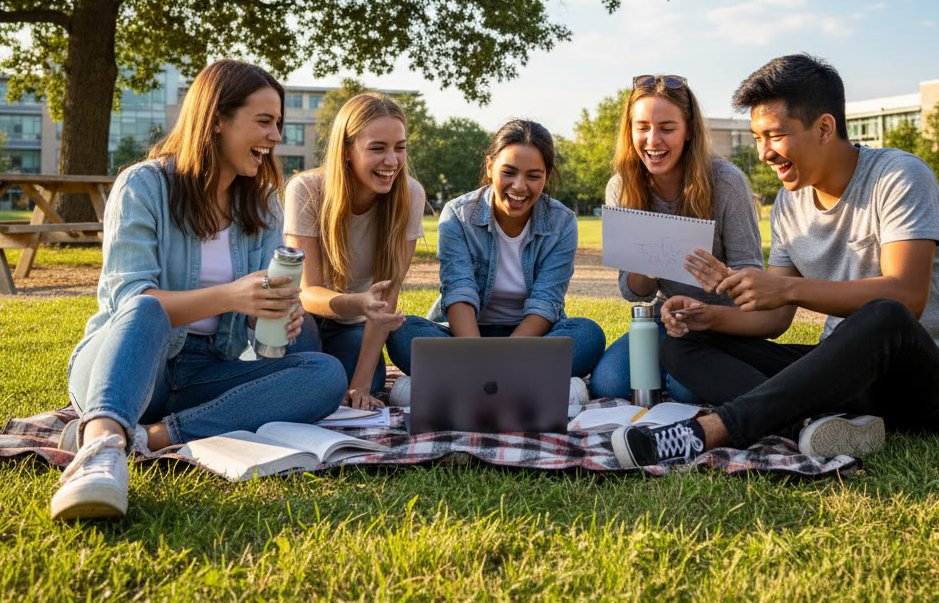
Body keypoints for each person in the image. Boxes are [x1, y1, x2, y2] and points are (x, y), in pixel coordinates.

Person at [612, 54, 939, 467]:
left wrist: (787, 287)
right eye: (757, 138)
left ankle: (710, 430)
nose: (765, 152)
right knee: (681, 345)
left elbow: (908, 296)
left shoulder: (898, 177)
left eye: (775, 136)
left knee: (885, 314)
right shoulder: (790, 201)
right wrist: (707, 317)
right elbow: (775, 319)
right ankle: (811, 423)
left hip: (920, 384)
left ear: (824, 128)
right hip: (840, 375)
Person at [52, 60, 348, 520]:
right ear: (216, 121)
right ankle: (100, 451)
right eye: (264, 122)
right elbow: (127, 304)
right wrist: (232, 295)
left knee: (325, 373)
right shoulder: (144, 185)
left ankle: (150, 439)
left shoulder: (263, 204)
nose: (275, 137)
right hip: (131, 366)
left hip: (207, 371)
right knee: (145, 308)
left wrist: (272, 316)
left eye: (279, 124)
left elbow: (250, 322)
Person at [390, 119, 605, 401]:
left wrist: (500, 360)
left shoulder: (562, 222)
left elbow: (545, 303)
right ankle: (532, 387)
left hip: (531, 341)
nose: (519, 186)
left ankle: (451, 387)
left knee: (588, 334)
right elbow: (459, 295)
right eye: (509, 172)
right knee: (401, 332)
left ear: (547, 176)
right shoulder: (458, 215)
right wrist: (482, 361)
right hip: (465, 338)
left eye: (533, 176)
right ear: (490, 167)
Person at [588, 74, 764, 401]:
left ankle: (679, 373)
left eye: (667, 129)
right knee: (608, 384)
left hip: (722, 322)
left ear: (689, 131)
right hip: (665, 319)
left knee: (685, 389)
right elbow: (632, 290)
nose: (653, 141)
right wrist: (648, 261)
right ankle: (671, 368)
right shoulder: (621, 187)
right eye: (641, 127)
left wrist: (724, 277)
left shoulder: (725, 182)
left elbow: (753, 279)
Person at [284, 92, 429, 410]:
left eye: (399, 148)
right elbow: (306, 293)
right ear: (347, 151)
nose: (392, 161)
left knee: (354, 390)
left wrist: (361, 384)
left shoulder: (410, 195)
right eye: (377, 148)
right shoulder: (307, 190)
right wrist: (360, 303)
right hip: (302, 320)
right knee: (316, 382)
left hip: (357, 325)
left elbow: (386, 299)